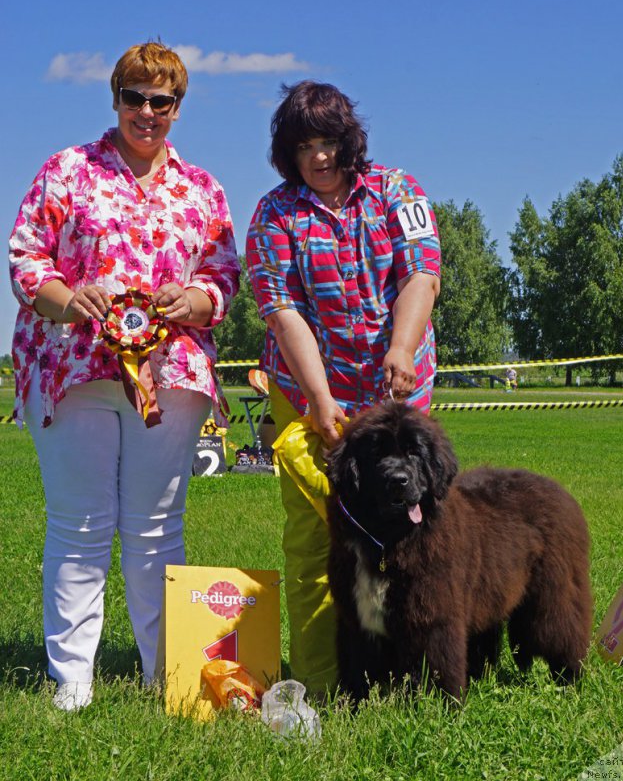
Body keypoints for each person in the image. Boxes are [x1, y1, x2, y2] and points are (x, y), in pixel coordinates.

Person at [8, 41, 240, 711]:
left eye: (159, 100)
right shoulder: (68, 170)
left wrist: (191, 302)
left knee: (157, 527)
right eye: (133, 97)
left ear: (177, 107)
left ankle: (163, 672)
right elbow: (26, 255)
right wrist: (65, 296)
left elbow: (224, 278)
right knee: (79, 525)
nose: (145, 111)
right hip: (71, 367)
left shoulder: (203, 189)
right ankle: (72, 679)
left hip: (170, 375)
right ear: (115, 99)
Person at [246, 81, 441, 694]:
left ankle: (410, 668)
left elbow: (421, 272)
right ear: (288, 152)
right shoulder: (273, 214)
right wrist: (320, 398)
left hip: (396, 392)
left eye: (329, 142)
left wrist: (402, 349)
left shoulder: (397, 189)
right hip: (311, 391)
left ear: (348, 140)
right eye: (305, 145)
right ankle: (322, 679)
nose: (319, 156)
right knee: (317, 541)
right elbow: (282, 311)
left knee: (412, 537)